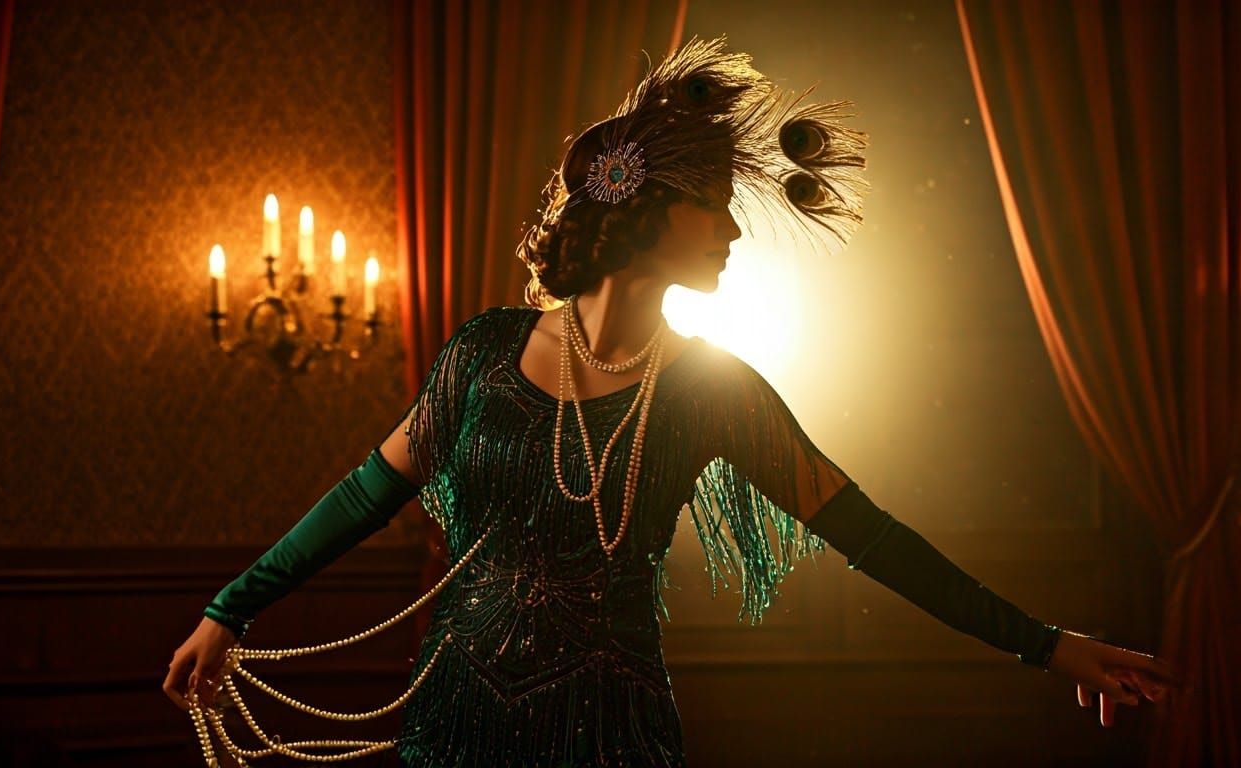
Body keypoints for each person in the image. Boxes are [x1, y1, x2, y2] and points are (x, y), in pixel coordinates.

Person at [163, 36, 1182, 767]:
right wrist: (229, 608)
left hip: (610, 726)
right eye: (715, 213)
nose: (734, 236)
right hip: (455, 720)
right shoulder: (480, 353)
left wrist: (1045, 643)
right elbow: (363, 495)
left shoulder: (711, 392)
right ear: (645, 211)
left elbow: (870, 536)